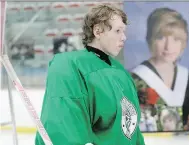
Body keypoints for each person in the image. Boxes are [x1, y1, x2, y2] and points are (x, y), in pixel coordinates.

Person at [35, 4, 145, 145]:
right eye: (118, 31)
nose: (123, 37)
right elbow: (63, 123)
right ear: (98, 31)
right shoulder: (70, 65)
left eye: (124, 32)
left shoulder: (121, 72)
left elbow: (132, 129)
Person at [131, 7, 189, 131]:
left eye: (176, 39)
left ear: (183, 43)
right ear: (150, 40)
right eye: (161, 38)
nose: (169, 47)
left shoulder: (188, 79)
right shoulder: (134, 80)